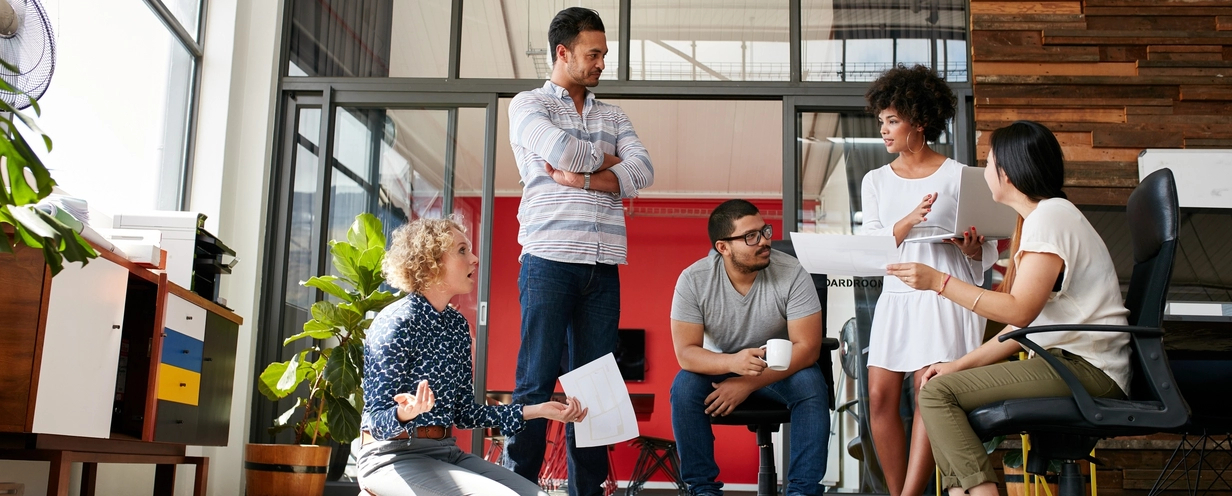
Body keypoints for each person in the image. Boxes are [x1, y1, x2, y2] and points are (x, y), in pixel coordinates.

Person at [887, 120, 1131, 496]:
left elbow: (1018, 312)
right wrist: (957, 365)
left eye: (989, 161)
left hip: (1087, 370)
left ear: (1009, 171)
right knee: (936, 388)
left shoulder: (1049, 218)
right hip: (1071, 363)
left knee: (937, 395)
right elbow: (1021, 330)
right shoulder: (1044, 218)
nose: (984, 169)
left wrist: (940, 282)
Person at [504, 6, 654, 496]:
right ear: (562, 53)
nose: (601, 64)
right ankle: (516, 487)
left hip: (603, 265)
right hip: (548, 259)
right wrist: (611, 164)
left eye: (604, 55)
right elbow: (562, 153)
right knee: (535, 383)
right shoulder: (528, 105)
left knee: (594, 393)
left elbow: (644, 172)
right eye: (593, 54)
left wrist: (585, 176)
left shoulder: (613, 113)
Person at [357, 218, 590, 496]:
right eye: (462, 250)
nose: (475, 259)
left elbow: (465, 413)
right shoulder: (395, 323)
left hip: (445, 452)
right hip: (390, 457)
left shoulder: (456, 326)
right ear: (431, 262)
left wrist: (538, 410)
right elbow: (376, 422)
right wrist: (405, 414)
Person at [859, 64, 997, 496]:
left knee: (927, 393)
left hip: (945, 291)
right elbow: (871, 248)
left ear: (919, 122)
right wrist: (908, 220)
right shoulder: (875, 181)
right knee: (879, 396)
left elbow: (986, 250)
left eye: (893, 121)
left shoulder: (960, 176)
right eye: (881, 121)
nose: (884, 130)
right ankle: (899, 491)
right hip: (898, 295)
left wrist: (974, 248)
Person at [669, 199, 829, 496]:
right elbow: (686, 353)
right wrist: (732, 365)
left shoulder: (793, 273)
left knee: (811, 383)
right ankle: (702, 490)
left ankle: (803, 491)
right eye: (751, 237)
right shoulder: (693, 281)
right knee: (684, 387)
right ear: (723, 247)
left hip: (779, 369)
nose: (764, 241)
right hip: (723, 365)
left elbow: (807, 348)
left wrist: (746, 383)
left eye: (764, 231)